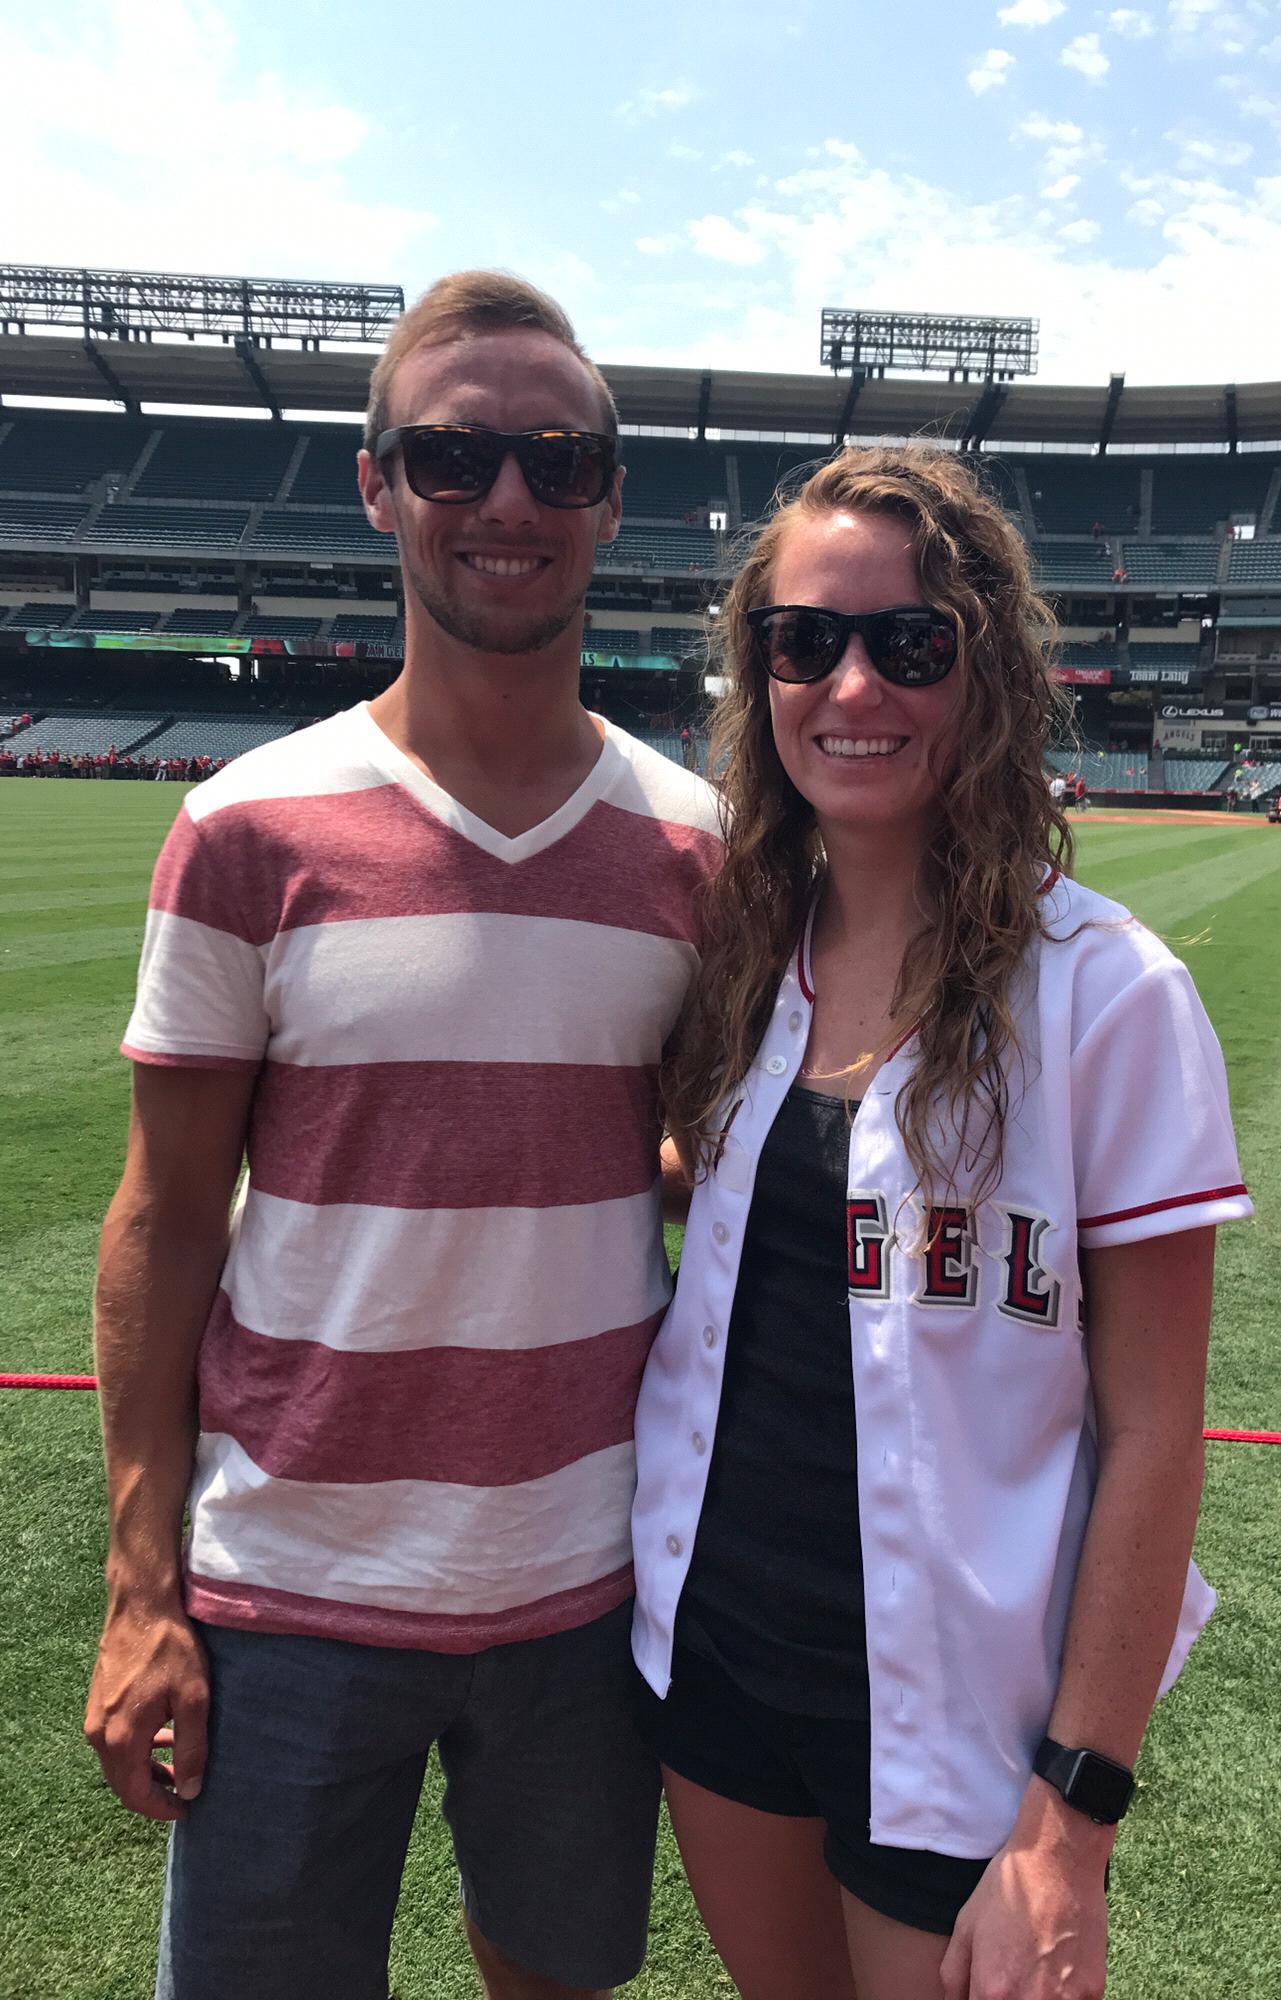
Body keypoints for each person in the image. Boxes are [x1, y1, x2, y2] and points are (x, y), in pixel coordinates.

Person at [84, 270, 722, 2000]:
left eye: (553, 458)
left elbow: (701, 1169)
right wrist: (145, 1587)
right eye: (453, 456)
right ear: (378, 484)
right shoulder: (241, 830)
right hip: (290, 1587)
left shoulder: (700, 851)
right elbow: (162, 1220)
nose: (506, 499)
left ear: (606, 490)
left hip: (589, 1588)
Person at [631, 447, 1253, 2000]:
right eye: (803, 640)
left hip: (966, 1717)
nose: (852, 682)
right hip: (713, 1659)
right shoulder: (736, 952)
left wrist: (1073, 1824)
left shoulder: (1110, 995)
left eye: (909, 643)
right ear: (758, 668)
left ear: (985, 670)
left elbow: (1159, 1432)